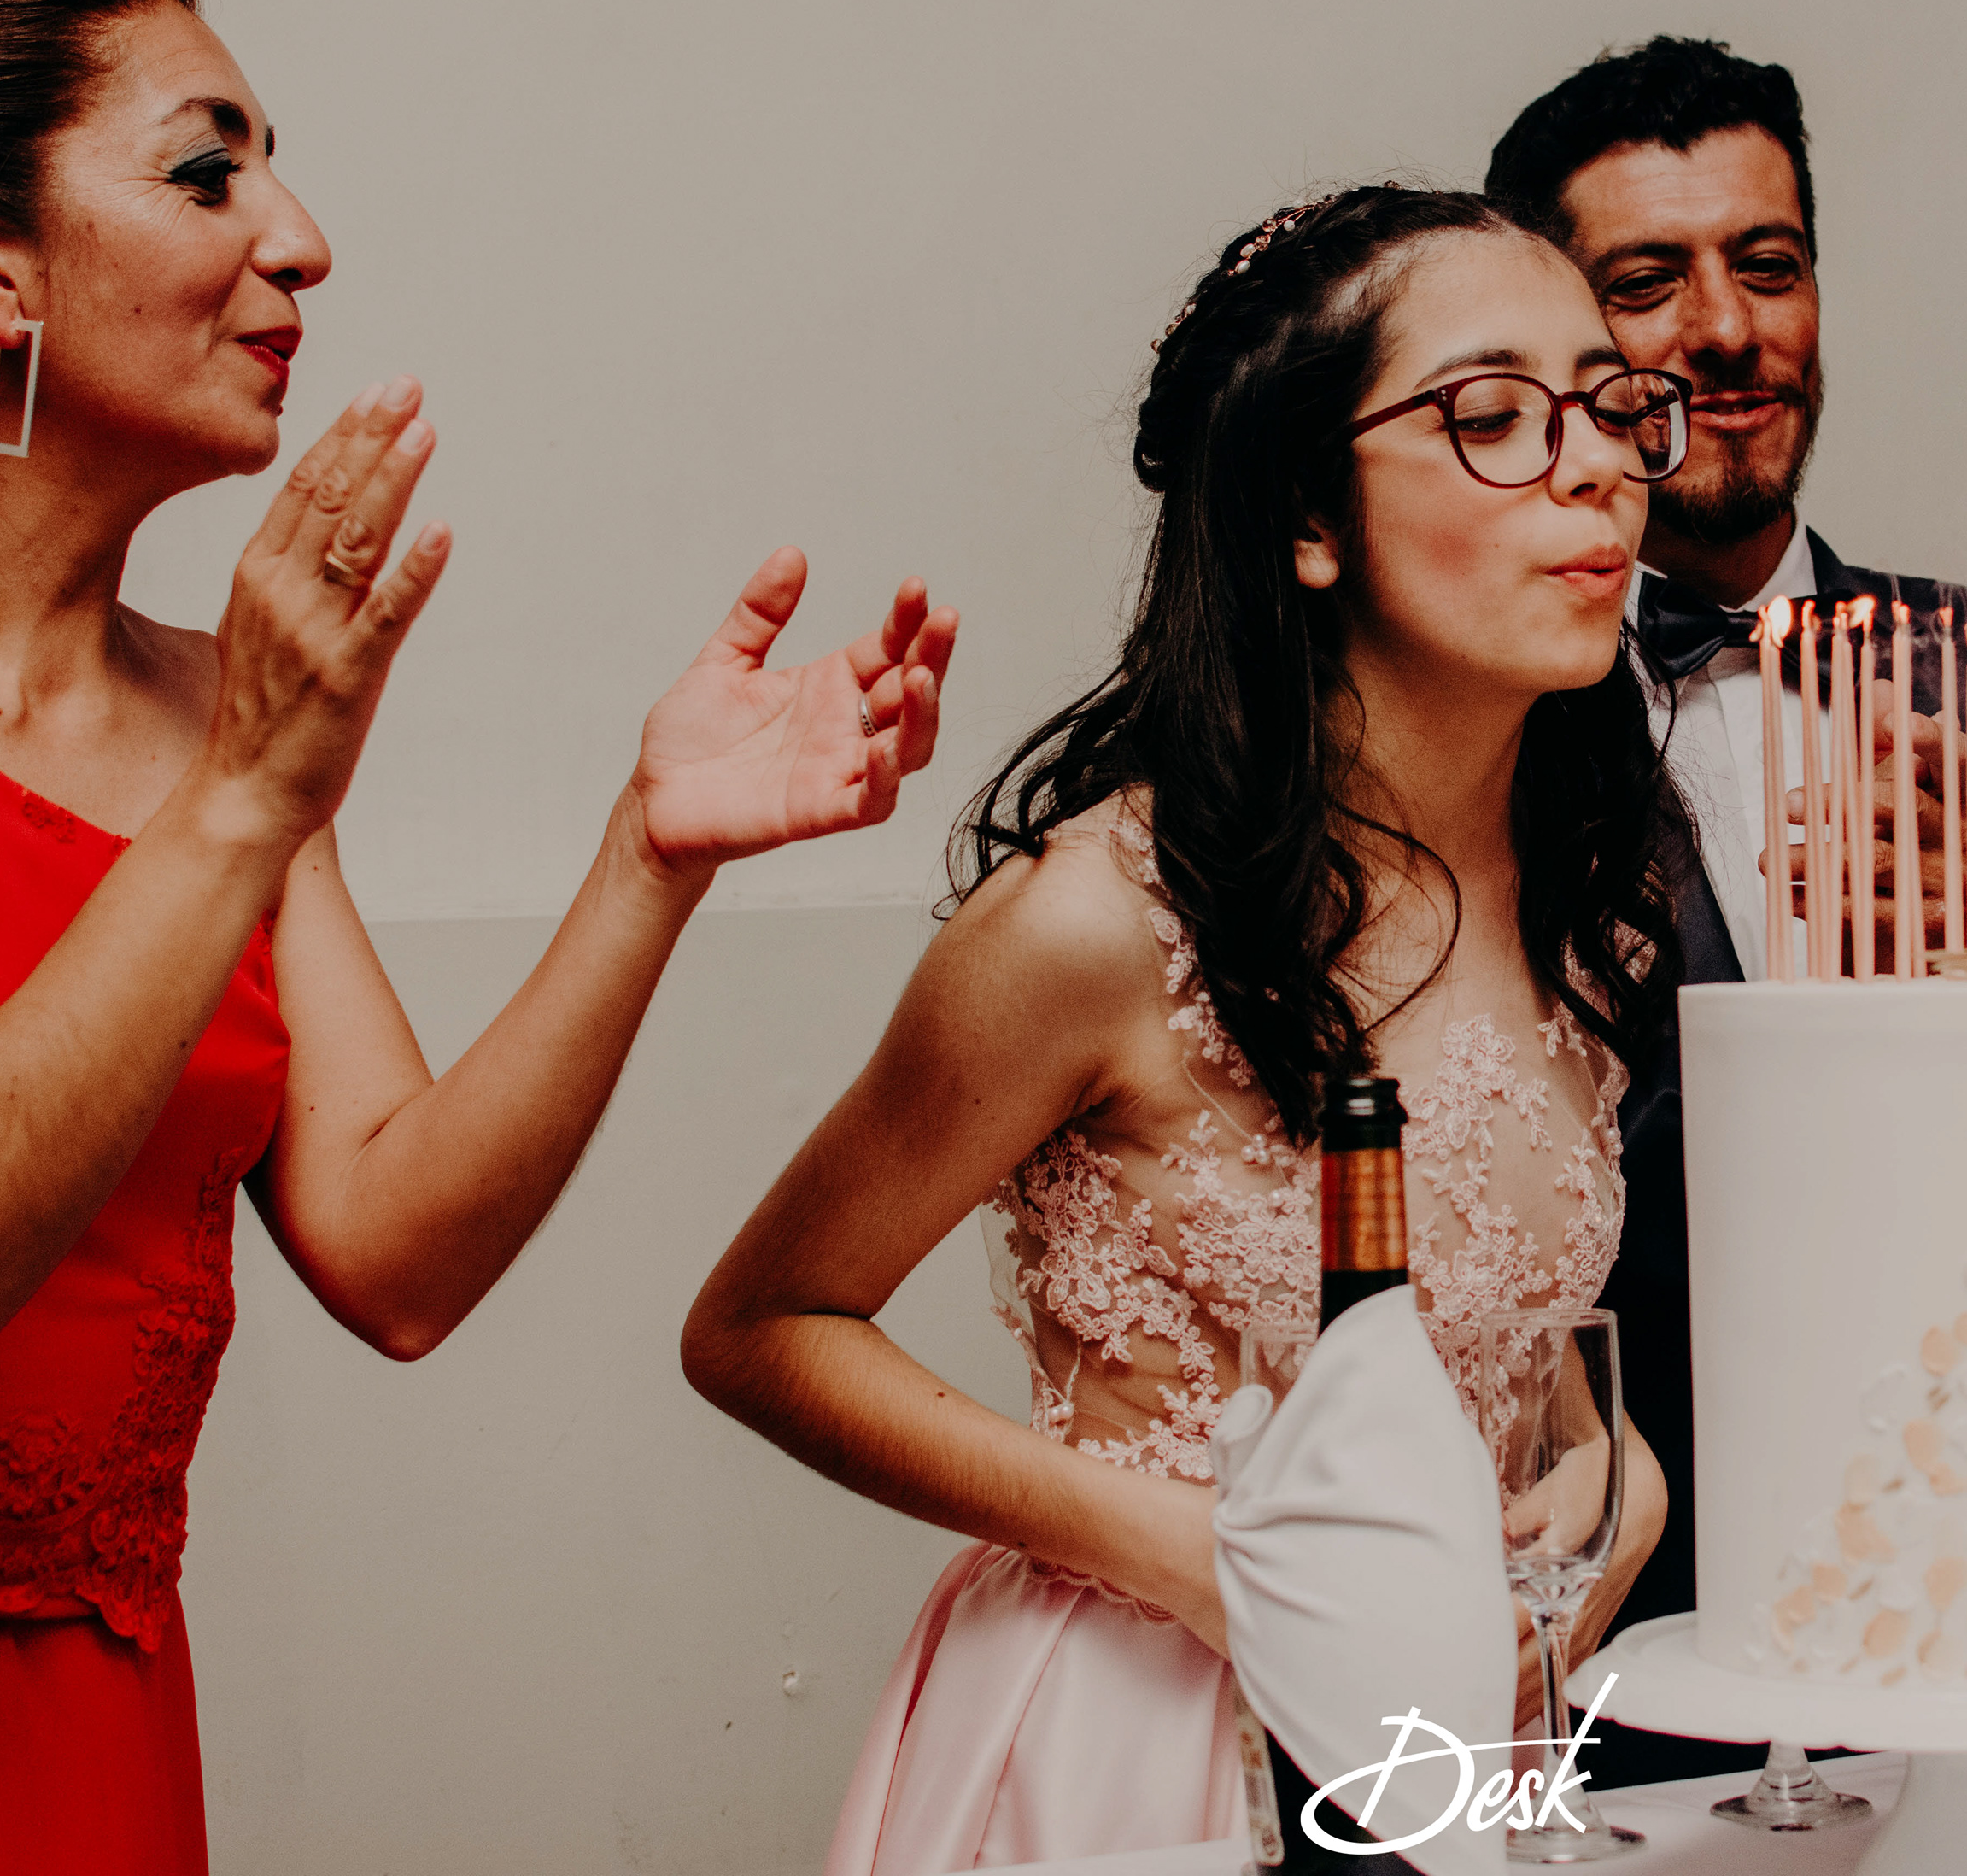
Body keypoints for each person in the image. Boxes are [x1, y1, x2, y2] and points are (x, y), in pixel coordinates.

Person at [0, 0, 957, 1876]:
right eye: (209, 173)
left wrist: (649, 855)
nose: (301, 239)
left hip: (101, 1753)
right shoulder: (233, 751)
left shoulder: (217, 714)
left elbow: (398, 1254)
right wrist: (245, 795)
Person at [682, 186, 1686, 1871]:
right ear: (1304, 513)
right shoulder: (1095, 925)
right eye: (1498, 416)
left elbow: (1492, 1336)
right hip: (1144, 1743)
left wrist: (1615, 1475)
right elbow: (760, 1326)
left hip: (1448, 1749)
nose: (1595, 468)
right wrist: (1194, 1553)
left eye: (1611, 405)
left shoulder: (1595, 904)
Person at [1482, 38, 1967, 1734]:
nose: (1728, 329)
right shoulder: (1483, 715)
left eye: (1770, 264)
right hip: (1613, 1609)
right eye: (1649, 283)